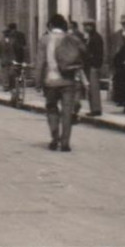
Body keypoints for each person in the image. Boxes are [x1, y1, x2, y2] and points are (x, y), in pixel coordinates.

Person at [40, 14, 85, 151]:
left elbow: (40, 62)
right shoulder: (72, 39)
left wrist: (37, 81)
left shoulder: (45, 40)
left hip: (51, 81)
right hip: (68, 80)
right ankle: (65, 143)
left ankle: (55, 138)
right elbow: (84, 53)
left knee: (52, 108)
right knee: (67, 112)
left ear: (51, 25)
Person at [80, 21, 105, 116]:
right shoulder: (90, 37)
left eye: (87, 26)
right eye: (85, 26)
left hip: (93, 65)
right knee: (91, 88)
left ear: (92, 26)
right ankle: (94, 108)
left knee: (94, 88)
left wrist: (92, 61)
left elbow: (97, 53)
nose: (86, 28)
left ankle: (96, 109)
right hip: (91, 65)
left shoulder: (96, 38)